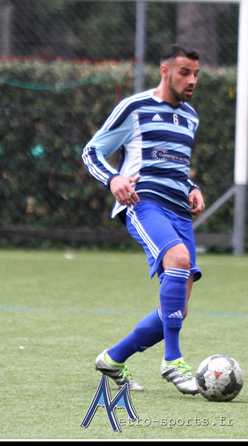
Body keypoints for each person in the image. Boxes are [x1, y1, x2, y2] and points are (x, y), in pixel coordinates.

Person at [82, 43, 205, 395]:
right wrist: (113, 179)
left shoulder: (190, 117)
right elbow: (91, 151)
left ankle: (113, 358)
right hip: (143, 202)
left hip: (179, 210)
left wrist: (192, 188)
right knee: (178, 260)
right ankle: (172, 361)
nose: (192, 80)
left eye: (196, 74)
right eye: (184, 72)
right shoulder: (134, 108)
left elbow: (174, 165)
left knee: (177, 306)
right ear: (165, 71)